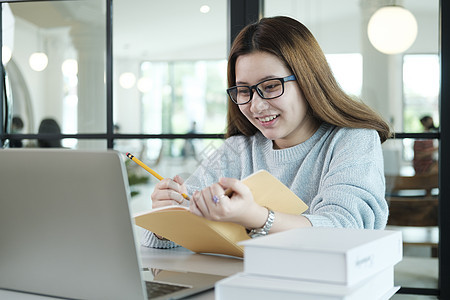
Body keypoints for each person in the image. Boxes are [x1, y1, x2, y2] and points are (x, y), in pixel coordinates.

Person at [142, 16, 391, 249]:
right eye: (243, 91)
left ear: (309, 80)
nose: (256, 105)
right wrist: (166, 219)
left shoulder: (353, 139)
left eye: (271, 86)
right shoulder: (238, 149)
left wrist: (256, 217)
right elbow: (165, 237)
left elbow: (346, 230)